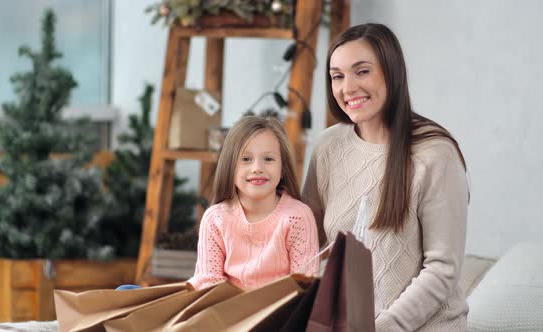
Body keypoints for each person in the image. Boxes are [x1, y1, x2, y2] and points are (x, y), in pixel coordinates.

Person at [302, 23, 470, 331]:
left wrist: (383, 327)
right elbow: (307, 245)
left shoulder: (435, 154)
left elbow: (443, 268)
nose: (347, 87)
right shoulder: (328, 146)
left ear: (391, 72)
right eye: (337, 76)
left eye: (362, 71)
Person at [189, 115, 319, 290]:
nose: (257, 167)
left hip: (283, 315)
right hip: (226, 313)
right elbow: (207, 285)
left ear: (283, 169)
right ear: (230, 167)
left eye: (269, 159)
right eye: (246, 159)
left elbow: (305, 287)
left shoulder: (298, 217)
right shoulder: (215, 218)